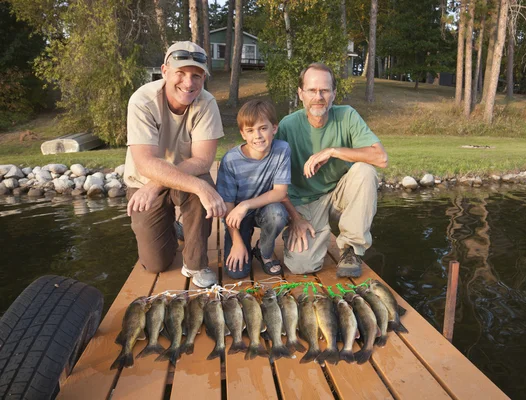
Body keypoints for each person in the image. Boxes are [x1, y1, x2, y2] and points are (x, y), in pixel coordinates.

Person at [124, 41, 227, 288]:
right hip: (142, 181)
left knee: (200, 186)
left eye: (196, 75)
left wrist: (159, 184)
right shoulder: (142, 100)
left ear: (203, 78)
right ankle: (175, 229)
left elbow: (203, 160)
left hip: (183, 176)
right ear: (165, 71)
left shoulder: (207, 103)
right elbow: (145, 162)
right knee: (155, 264)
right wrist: (153, 185)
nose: (188, 83)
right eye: (180, 73)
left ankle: (196, 264)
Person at [276, 62, 388, 278]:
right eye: (312, 90)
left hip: (338, 195)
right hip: (304, 203)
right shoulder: (287, 127)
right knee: (302, 266)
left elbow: (380, 158)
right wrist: (295, 218)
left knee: (365, 171)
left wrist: (333, 151)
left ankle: (351, 249)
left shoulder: (347, 116)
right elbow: (274, 181)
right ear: (301, 93)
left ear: (334, 94)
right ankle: (306, 234)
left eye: (325, 90)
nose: (318, 96)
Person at [216, 99, 291, 279]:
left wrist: (246, 205)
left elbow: (280, 192)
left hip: (263, 209)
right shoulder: (230, 160)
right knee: (237, 273)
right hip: (236, 217)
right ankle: (243, 240)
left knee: (278, 214)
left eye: (263, 128)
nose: (257, 136)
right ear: (243, 134)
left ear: (274, 128)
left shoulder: (282, 150)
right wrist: (237, 242)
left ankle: (264, 251)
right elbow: (227, 207)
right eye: (250, 130)